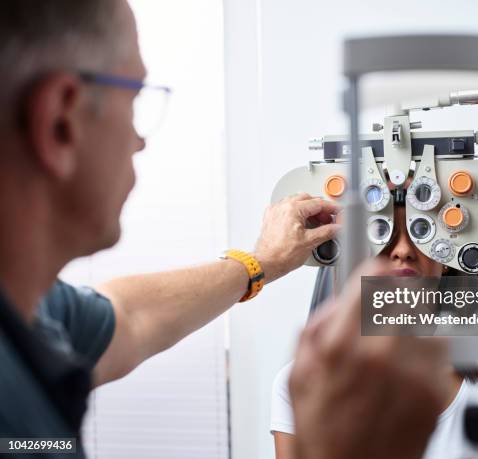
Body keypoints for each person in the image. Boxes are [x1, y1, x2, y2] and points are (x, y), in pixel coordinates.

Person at [0, 1, 451, 458]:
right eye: (135, 99)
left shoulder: (37, 317)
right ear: (60, 121)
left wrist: (264, 262)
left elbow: (131, 314)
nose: (140, 140)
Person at [271, 187, 478, 459]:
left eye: (422, 232)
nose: (403, 250)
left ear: (448, 258)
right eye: (383, 234)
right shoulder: (300, 383)